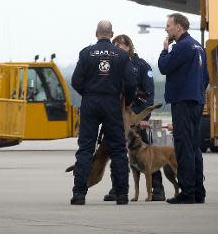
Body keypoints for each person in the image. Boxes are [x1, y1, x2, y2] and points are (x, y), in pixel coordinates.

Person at [70, 20, 136, 205]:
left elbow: (76, 81)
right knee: (118, 150)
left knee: (85, 148)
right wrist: (127, 101)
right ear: (111, 33)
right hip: (112, 103)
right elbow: (131, 83)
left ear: (96, 33)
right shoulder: (122, 55)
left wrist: (88, 93)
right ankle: (122, 194)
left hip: (90, 102)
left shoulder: (86, 53)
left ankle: (79, 194)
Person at [102, 34, 165, 202]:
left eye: (122, 45)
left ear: (129, 47)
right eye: (116, 45)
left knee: (148, 156)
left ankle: (157, 189)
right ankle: (117, 188)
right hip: (119, 117)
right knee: (117, 153)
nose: (119, 48)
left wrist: (144, 117)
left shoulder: (142, 66)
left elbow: (149, 94)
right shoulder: (112, 66)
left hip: (137, 117)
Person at [158, 13, 209, 205]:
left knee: (183, 147)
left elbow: (164, 66)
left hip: (183, 102)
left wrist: (164, 50)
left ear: (179, 27)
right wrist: (196, 91)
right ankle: (198, 191)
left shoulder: (181, 47)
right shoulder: (198, 47)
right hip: (196, 100)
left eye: (168, 25)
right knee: (194, 146)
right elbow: (206, 77)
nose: (166, 29)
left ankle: (187, 192)